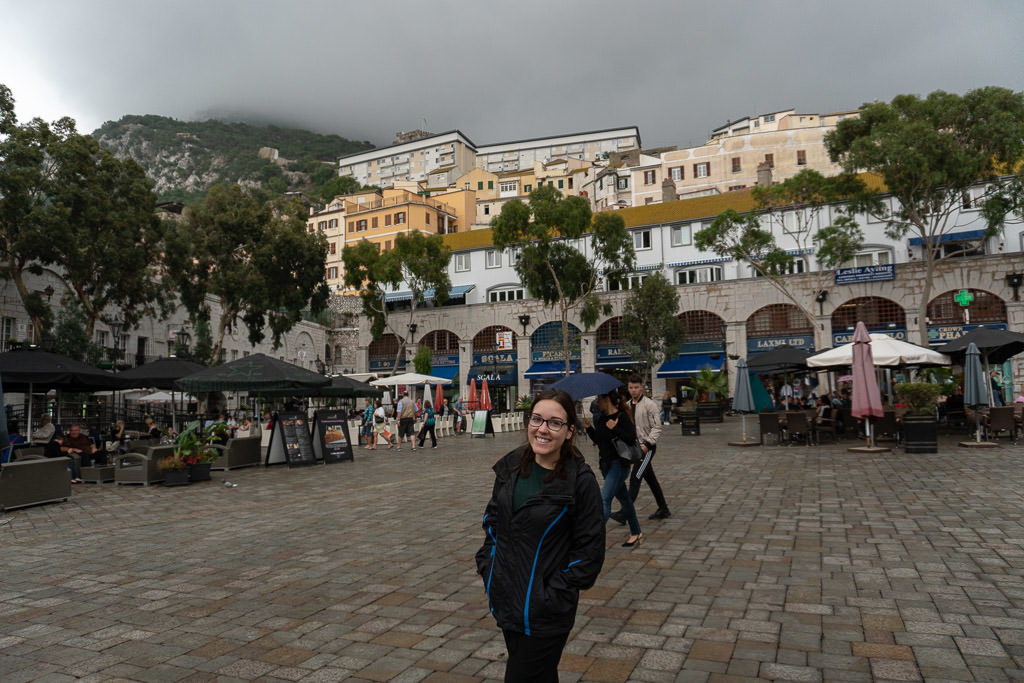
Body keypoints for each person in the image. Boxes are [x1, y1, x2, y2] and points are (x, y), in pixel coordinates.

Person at [475, 388, 605, 682]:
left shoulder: (580, 483)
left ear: (570, 431)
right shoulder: (510, 468)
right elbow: (492, 522)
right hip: (507, 600)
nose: (543, 429)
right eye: (537, 419)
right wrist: (489, 568)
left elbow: (589, 553)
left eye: (554, 422)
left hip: (545, 613)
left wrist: (550, 594)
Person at [583, 388, 643, 547]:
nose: (597, 402)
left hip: (619, 464)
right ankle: (636, 532)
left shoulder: (621, 417)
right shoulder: (602, 419)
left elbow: (631, 439)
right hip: (605, 465)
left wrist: (615, 428)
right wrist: (589, 428)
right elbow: (599, 440)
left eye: (599, 399)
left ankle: (592, 539)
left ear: (607, 399)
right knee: (625, 499)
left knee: (604, 499)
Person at [619, 375, 671, 521]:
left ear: (641, 387)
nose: (633, 390)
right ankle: (664, 509)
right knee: (651, 480)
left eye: (636, 387)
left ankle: (625, 513)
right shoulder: (627, 405)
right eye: (631, 388)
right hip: (635, 448)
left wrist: (647, 444)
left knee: (636, 477)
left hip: (647, 448)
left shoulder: (650, 404)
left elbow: (657, 427)